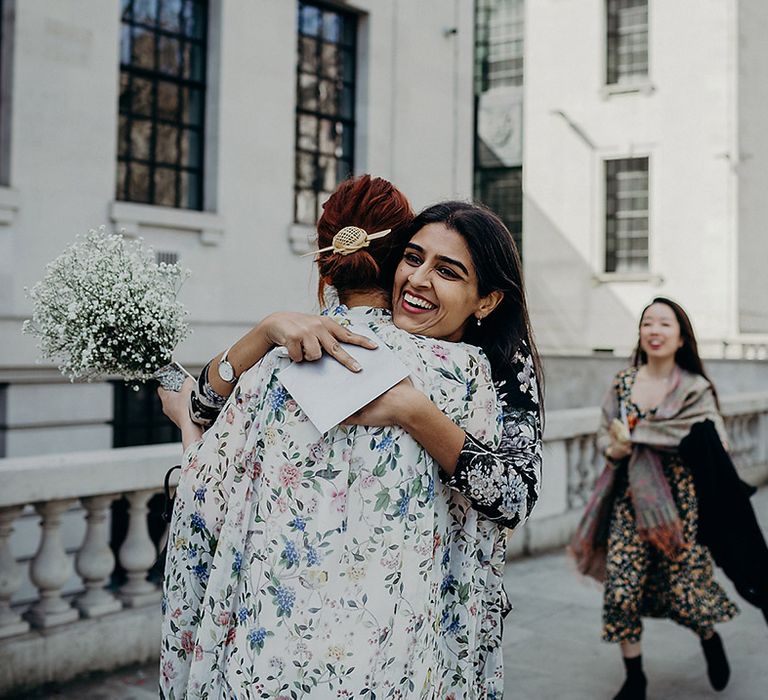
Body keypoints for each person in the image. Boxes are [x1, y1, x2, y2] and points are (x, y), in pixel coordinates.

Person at [159, 177, 543, 698]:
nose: (418, 279)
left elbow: (514, 496)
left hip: (380, 636)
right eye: (412, 257)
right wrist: (270, 327)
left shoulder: (490, 369)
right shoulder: (324, 346)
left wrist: (413, 410)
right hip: (353, 640)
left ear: (486, 300)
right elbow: (215, 413)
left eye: (447, 271)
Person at [569, 298, 738, 700]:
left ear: (681, 337)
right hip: (628, 502)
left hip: (680, 507)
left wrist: (663, 438)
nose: (655, 331)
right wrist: (616, 449)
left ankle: (709, 638)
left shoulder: (695, 389)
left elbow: (720, 444)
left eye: (665, 324)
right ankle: (635, 678)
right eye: (648, 323)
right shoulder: (623, 383)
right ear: (641, 333)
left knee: (686, 592)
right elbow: (602, 435)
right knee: (622, 591)